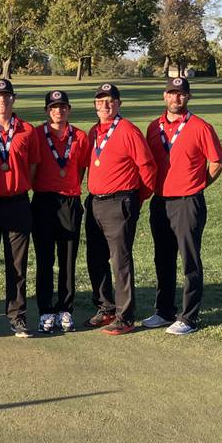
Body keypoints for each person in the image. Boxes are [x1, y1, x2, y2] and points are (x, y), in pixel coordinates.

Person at [142, 77, 222, 335]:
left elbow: (218, 161)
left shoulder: (200, 126)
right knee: (163, 258)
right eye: (171, 93)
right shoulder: (153, 127)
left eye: (180, 94)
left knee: (190, 260)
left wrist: (199, 184)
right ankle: (164, 311)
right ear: (164, 96)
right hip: (160, 201)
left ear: (188, 97)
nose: (175, 99)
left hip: (188, 201)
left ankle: (188, 317)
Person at [84, 83, 156, 335]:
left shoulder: (128, 130)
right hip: (95, 202)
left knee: (120, 260)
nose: (106, 105)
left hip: (119, 201)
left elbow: (147, 168)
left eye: (111, 101)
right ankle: (106, 308)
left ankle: (125, 316)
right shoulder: (94, 132)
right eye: (101, 101)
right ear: (95, 105)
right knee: (95, 257)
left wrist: (138, 198)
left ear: (119, 104)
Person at [0, 78, 41, 338]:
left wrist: (20, 184)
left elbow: (33, 166)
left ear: (14, 98)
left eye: (6, 95)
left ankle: (18, 316)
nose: (2, 100)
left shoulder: (27, 130)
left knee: (17, 264)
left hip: (18, 203)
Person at [31, 90, 90, 334]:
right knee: (44, 259)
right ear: (47, 111)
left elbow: (81, 168)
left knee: (67, 259)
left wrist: (69, 188)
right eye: (53, 107)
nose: (58, 111)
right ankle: (45, 310)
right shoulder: (36, 134)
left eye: (63, 106)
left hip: (70, 201)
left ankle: (65, 308)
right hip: (43, 201)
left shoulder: (80, 136)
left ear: (69, 109)